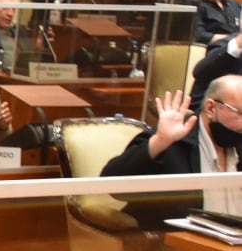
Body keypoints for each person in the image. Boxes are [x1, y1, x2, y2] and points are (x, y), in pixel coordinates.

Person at [101, 79, 242, 227]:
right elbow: (113, 186)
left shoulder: (238, 145)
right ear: (211, 108)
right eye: (240, 113)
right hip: (180, 243)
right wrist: (159, 142)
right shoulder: (173, 140)